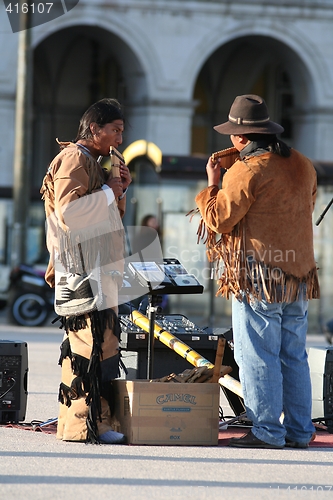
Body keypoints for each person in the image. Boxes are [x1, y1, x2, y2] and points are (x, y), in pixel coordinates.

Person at [194, 94, 320, 449]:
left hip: (259, 274)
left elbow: (219, 219)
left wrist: (211, 185)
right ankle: (299, 431)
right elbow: (306, 207)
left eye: (233, 134)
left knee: (257, 353)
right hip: (298, 273)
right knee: (293, 354)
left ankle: (267, 432)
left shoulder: (247, 169)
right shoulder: (303, 164)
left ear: (241, 138)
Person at [40, 98, 132, 444]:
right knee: (94, 348)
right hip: (82, 271)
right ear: (94, 128)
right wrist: (110, 189)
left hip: (95, 269)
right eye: (115, 130)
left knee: (87, 348)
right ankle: (93, 425)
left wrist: (118, 188)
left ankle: (77, 425)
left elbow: (108, 218)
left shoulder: (93, 160)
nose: (119, 140)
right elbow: (70, 214)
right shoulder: (75, 158)